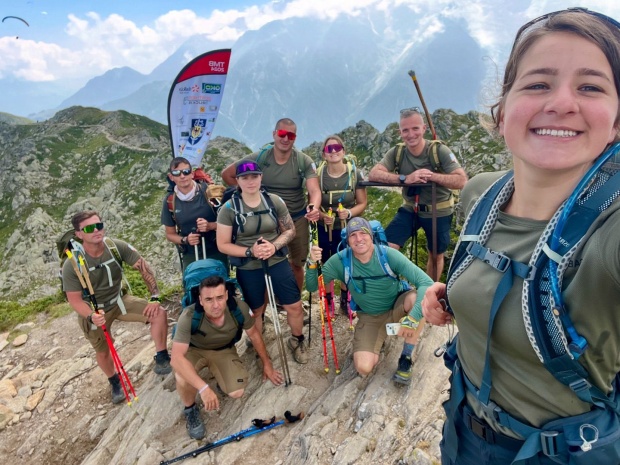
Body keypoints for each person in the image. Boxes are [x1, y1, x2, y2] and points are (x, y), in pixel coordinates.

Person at [422, 9, 620, 465]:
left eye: (590, 87)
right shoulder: (481, 195)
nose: (562, 102)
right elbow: (494, 274)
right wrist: (453, 296)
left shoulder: (608, 238)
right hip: (464, 429)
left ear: (616, 122)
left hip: (562, 453)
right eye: (537, 84)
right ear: (502, 110)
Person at [62, 210, 171, 404]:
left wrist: (155, 297)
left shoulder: (115, 247)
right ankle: (114, 380)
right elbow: (75, 299)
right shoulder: (72, 264)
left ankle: (162, 357)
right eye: (89, 228)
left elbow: (143, 267)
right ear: (79, 234)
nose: (96, 230)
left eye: (99, 225)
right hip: (94, 311)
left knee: (159, 314)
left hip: (120, 300)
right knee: (103, 350)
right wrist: (91, 316)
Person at [306, 217, 434, 383]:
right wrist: (311, 263)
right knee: (363, 367)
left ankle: (406, 357)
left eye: (363, 233)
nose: (359, 239)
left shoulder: (387, 255)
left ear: (371, 235)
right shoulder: (340, 261)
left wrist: (413, 318)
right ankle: (384, 334)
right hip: (370, 316)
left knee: (418, 299)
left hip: (397, 305)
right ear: (347, 240)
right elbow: (312, 287)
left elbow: (426, 283)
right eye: (353, 236)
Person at [217, 160, 308, 364]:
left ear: (261, 178)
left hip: (276, 259)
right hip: (248, 265)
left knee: (293, 305)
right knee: (256, 310)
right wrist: (251, 251)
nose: (250, 181)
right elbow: (222, 244)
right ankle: (260, 348)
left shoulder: (274, 201)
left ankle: (297, 339)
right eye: (245, 178)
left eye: (254, 176)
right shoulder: (229, 208)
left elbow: (290, 230)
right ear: (237, 181)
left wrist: (274, 246)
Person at [170, 275, 283, 440]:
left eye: (220, 298)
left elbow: (254, 335)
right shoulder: (189, 316)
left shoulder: (239, 308)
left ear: (227, 296)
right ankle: (190, 409)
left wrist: (267, 363)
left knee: (237, 391)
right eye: (209, 299)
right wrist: (203, 388)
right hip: (194, 350)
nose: (215, 305)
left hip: (224, 350)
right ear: (200, 300)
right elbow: (176, 358)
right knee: (181, 376)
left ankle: (221, 377)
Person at [221, 118, 321, 291]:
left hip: (296, 217)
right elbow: (227, 174)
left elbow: (314, 190)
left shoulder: (302, 160)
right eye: (282, 134)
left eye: (290, 135)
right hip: (265, 218)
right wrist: (247, 194)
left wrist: (314, 207)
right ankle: (269, 300)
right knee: (266, 261)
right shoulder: (260, 157)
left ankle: (292, 299)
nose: (285, 138)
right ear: (274, 134)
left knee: (297, 263)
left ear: (295, 138)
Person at [368, 109, 467, 279]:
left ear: (424, 129)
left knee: (435, 255)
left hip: (439, 210)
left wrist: (430, 176)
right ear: (400, 133)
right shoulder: (397, 152)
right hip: (410, 208)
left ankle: (429, 293)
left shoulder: (439, 150)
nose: (410, 134)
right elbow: (374, 174)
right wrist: (405, 178)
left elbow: (461, 180)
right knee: (386, 247)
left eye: (415, 128)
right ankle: (393, 289)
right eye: (405, 130)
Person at [316, 135, 367, 316]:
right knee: (327, 263)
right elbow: (312, 202)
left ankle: (346, 300)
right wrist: (322, 216)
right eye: (329, 149)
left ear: (343, 151)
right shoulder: (318, 175)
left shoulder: (355, 173)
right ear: (324, 154)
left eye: (337, 147)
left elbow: (362, 202)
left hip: (348, 226)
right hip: (325, 226)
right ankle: (329, 300)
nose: (334, 151)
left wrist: (350, 213)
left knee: (348, 262)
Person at [161, 157, 227, 270]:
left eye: (186, 172)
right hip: (191, 253)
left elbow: (229, 224)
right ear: (171, 177)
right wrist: (185, 240)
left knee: (219, 285)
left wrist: (210, 226)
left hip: (216, 249)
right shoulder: (170, 200)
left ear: (192, 174)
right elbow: (170, 234)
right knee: (193, 285)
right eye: (177, 173)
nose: (182, 176)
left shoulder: (210, 192)